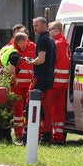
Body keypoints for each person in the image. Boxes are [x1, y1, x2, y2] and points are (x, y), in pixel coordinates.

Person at [0, 31, 35, 144]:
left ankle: (4, 135)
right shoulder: (14, 53)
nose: (28, 44)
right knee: (17, 109)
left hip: (1, 81)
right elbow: (11, 70)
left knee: (7, 109)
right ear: (21, 41)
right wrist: (15, 81)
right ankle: (19, 135)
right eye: (26, 41)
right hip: (11, 84)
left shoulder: (6, 48)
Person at [28, 16, 56, 144]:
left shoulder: (42, 39)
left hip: (40, 78)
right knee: (46, 108)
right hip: (49, 78)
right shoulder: (50, 39)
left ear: (44, 26)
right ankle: (46, 136)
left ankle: (30, 136)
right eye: (34, 26)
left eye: (36, 26)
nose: (34, 28)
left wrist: (31, 62)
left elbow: (41, 59)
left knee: (31, 105)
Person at [47, 20, 71, 145]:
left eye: (50, 29)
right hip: (62, 83)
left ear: (56, 30)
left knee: (48, 109)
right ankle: (58, 136)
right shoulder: (65, 43)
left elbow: (51, 61)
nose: (48, 31)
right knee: (58, 110)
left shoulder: (56, 44)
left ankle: (48, 135)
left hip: (54, 82)